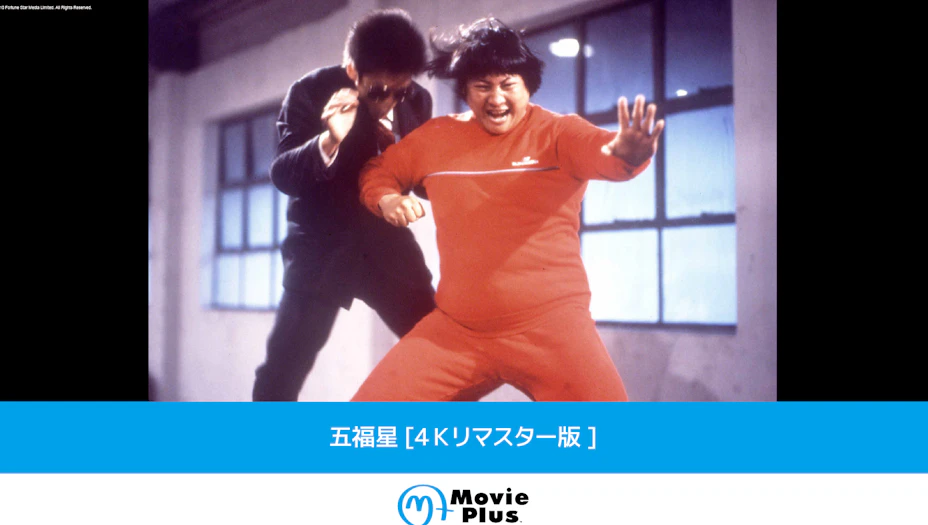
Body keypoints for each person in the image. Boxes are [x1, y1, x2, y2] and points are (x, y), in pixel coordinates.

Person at [352, 17, 665, 401]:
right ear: (465, 90)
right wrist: (387, 199)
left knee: (613, 435)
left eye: (507, 85)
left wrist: (627, 153)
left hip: (552, 330)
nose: (496, 99)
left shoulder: (559, 133)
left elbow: (604, 153)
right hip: (458, 331)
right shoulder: (435, 138)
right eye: (482, 86)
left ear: (528, 86)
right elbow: (377, 171)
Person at [252, 8, 436, 401]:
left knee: (441, 348)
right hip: (322, 247)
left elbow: (424, 179)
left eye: (400, 91)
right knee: (282, 371)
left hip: (387, 246)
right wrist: (329, 139)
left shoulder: (418, 101)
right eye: (379, 91)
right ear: (353, 71)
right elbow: (283, 174)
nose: (390, 102)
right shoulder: (310, 90)